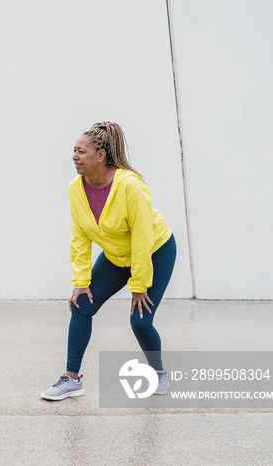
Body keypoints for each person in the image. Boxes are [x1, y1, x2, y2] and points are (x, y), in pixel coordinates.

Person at [41, 121, 176, 401]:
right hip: (116, 256)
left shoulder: (130, 186)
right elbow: (79, 235)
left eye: (81, 151)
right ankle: (71, 380)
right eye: (74, 151)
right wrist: (81, 282)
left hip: (155, 251)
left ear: (101, 155)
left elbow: (141, 238)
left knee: (140, 321)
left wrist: (139, 285)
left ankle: (159, 373)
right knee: (82, 305)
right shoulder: (75, 188)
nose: (75, 156)